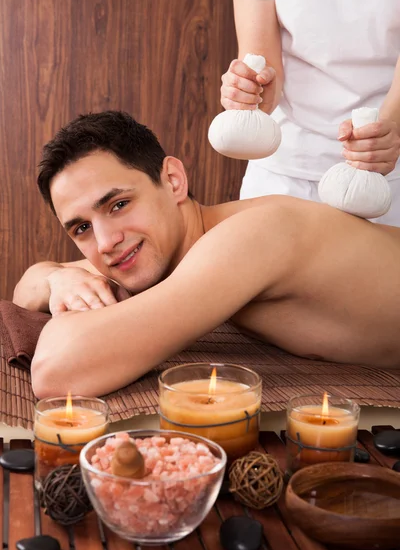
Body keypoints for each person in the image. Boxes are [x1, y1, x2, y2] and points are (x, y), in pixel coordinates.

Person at [13, 110, 400, 399]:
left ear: (174, 181)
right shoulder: (150, 246)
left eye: (118, 205)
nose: (105, 242)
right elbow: (26, 290)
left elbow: (56, 371)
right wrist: (56, 277)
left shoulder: (250, 237)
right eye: (82, 228)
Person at [221, 0, 400, 225]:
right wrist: (252, 89)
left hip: (385, 176)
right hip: (284, 169)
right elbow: (261, 56)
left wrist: (388, 130)